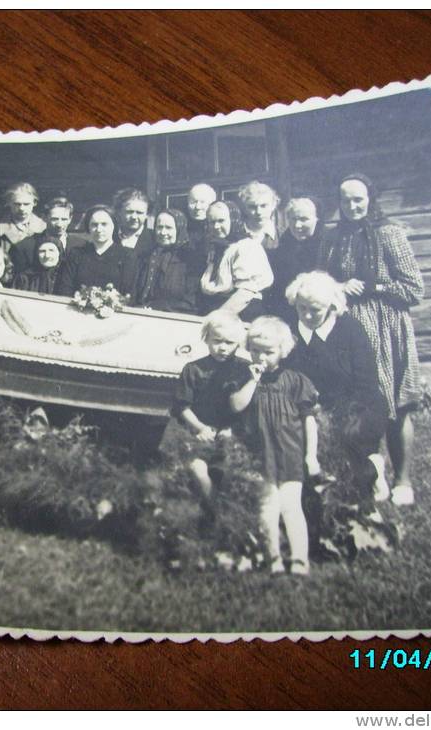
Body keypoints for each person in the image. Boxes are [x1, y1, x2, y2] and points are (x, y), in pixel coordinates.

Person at [321, 173, 425, 506]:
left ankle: (404, 481)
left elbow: (414, 289)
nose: (352, 206)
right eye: (345, 200)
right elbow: (322, 281)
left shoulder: (389, 234)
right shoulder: (332, 239)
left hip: (387, 327)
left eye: (358, 200)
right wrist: (338, 287)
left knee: (396, 403)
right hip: (348, 328)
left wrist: (373, 287)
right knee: (359, 405)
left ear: (371, 198)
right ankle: (371, 476)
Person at [285, 271, 390, 506]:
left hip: (359, 402)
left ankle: (372, 469)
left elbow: (366, 382)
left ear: (332, 306)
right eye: (302, 308)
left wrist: (332, 410)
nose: (307, 315)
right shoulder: (294, 331)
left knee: (346, 436)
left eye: (315, 310)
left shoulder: (350, 330)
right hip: (311, 403)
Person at [229, 316, 320, 575]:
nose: (260, 357)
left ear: (282, 351)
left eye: (268, 352)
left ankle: (300, 559)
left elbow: (309, 421)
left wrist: (311, 455)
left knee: (291, 505)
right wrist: (252, 381)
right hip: (260, 454)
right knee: (268, 505)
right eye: (255, 350)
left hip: (290, 453)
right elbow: (236, 405)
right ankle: (273, 559)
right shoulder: (244, 378)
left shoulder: (295, 380)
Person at [171, 309, 250, 514]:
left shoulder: (244, 370)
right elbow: (181, 407)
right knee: (198, 469)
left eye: (230, 343)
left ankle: (229, 511)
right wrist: (200, 428)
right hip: (198, 431)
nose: (223, 348)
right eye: (217, 341)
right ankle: (213, 510)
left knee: (228, 471)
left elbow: (248, 407)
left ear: (238, 344)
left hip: (230, 433)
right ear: (206, 338)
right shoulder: (193, 369)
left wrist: (232, 429)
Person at [199, 200, 273, 319]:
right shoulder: (217, 247)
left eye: (221, 221)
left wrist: (217, 319)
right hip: (218, 309)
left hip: (240, 311)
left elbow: (245, 293)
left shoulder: (247, 247)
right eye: (212, 222)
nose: (216, 226)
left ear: (233, 220)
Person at [263, 196, 325, 322]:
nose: (297, 225)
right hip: (287, 314)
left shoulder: (327, 246)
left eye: (304, 219)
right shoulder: (280, 249)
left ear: (316, 219)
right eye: (293, 219)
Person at [54, 205, 138, 297]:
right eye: (94, 225)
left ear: (114, 226)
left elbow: (128, 293)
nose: (99, 229)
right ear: (88, 227)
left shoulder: (127, 256)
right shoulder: (76, 254)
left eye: (104, 224)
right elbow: (65, 289)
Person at [135, 208, 203, 314]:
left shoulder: (189, 259)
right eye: (159, 227)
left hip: (177, 319)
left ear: (179, 229)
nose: (163, 232)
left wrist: (155, 307)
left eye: (169, 228)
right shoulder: (148, 256)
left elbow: (190, 300)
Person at [9, 196, 85, 277]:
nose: (59, 224)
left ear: (70, 219)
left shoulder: (82, 246)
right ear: (44, 218)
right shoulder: (24, 247)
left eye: (64, 219)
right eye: (54, 219)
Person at [0, 182, 46, 255]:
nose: (21, 208)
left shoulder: (43, 227)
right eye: (17, 204)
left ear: (34, 203)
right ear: (9, 203)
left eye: (26, 204)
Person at [112, 188, 155, 258]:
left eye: (139, 213)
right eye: (129, 212)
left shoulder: (154, 239)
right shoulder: (110, 237)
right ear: (119, 212)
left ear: (147, 215)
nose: (134, 217)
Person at [185, 182, 217, 252]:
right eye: (193, 202)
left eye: (202, 202)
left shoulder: (217, 228)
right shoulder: (181, 229)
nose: (198, 207)